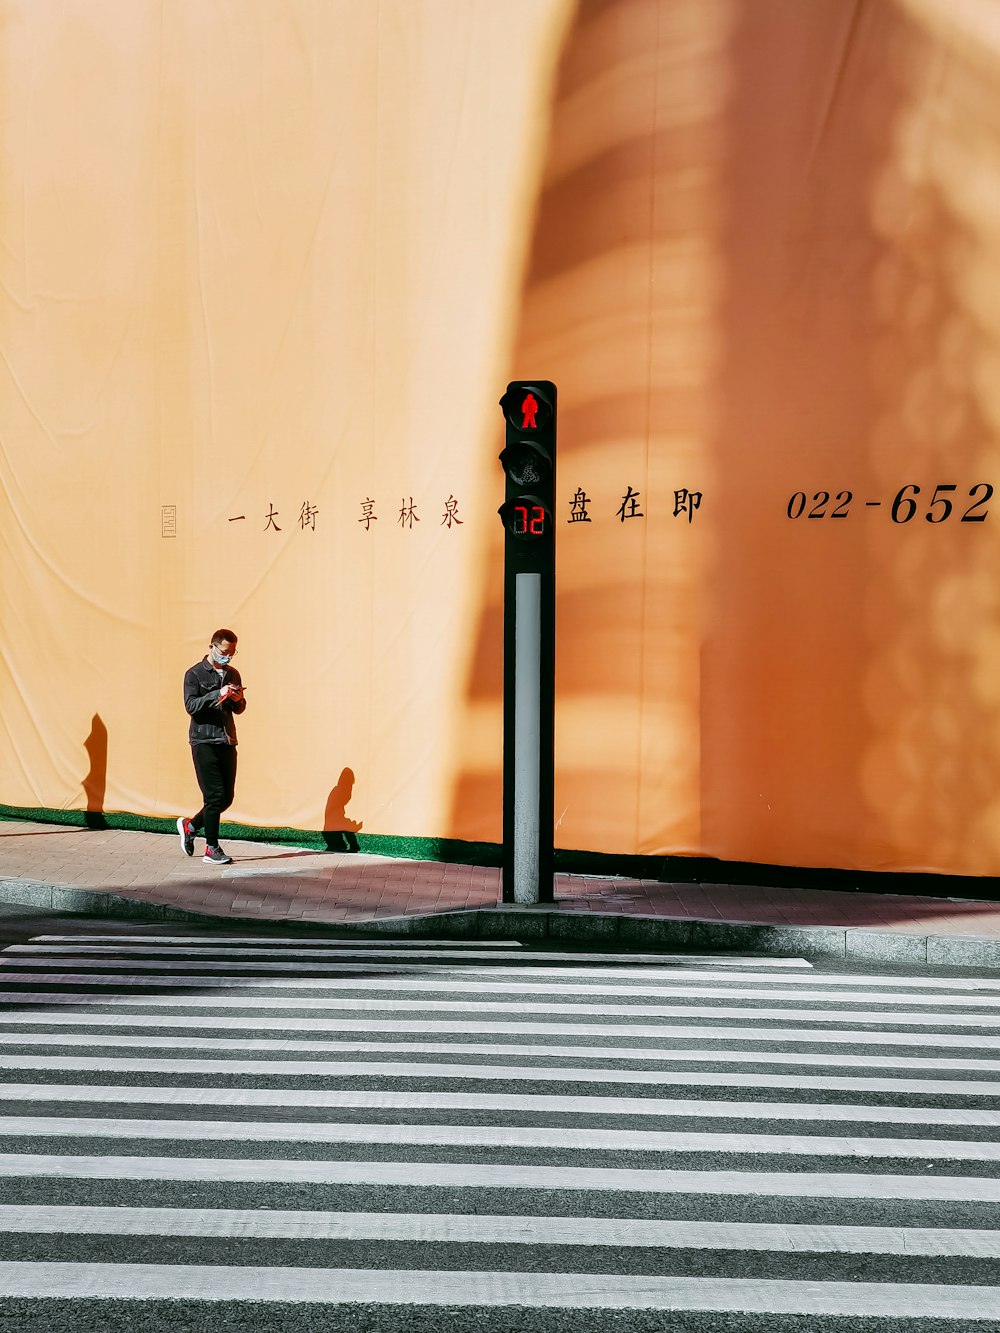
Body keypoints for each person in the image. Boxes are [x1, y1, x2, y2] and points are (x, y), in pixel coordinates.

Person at [177, 629, 246, 865]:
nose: (229, 657)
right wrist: (218, 693)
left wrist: (238, 700)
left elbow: (239, 709)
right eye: (225, 652)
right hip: (203, 741)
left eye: (233, 653)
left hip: (227, 740)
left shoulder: (233, 674)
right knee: (214, 796)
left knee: (226, 798)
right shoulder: (194, 674)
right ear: (213, 647)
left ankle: (191, 825)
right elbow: (191, 706)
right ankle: (211, 848)